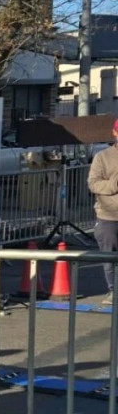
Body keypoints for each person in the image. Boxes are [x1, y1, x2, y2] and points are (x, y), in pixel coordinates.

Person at [88, 119, 118, 305]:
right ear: (115, 132)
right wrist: (114, 184)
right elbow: (93, 183)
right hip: (108, 216)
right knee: (109, 257)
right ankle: (113, 291)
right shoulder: (102, 157)